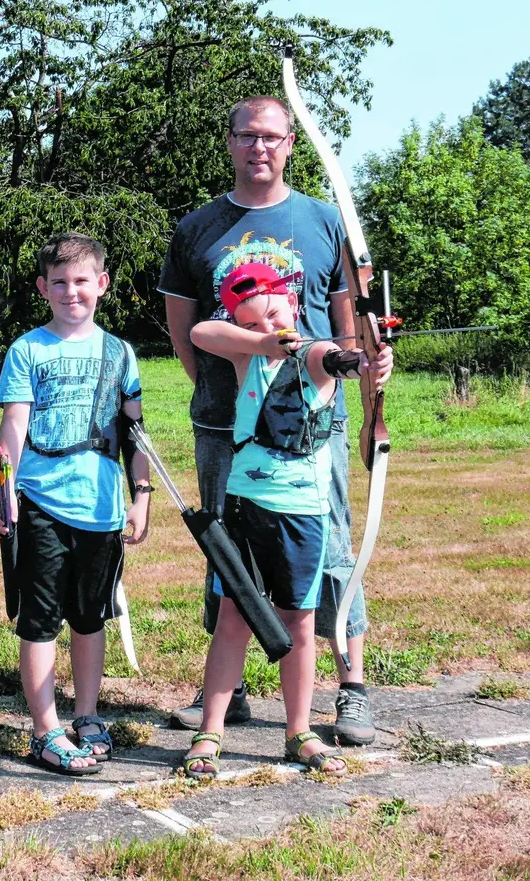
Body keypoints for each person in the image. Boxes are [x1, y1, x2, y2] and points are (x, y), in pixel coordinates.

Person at [159, 95, 379, 746]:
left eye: (273, 137)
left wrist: (357, 387)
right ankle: (229, 695)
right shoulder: (198, 229)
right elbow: (185, 335)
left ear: (290, 145)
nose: (260, 147)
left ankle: (351, 687)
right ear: (228, 141)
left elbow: (345, 327)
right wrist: (236, 391)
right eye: (248, 135)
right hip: (225, 426)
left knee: (329, 552)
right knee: (227, 554)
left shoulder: (320, 220)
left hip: (311, 426)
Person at [179, 261, 391, 779]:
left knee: (297, 621)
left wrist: (363, 362)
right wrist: (260, 343)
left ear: (292, 303)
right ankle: (211, 731)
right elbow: (201, 332)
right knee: (233, 617)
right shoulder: (247, 355)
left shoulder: (314, 353)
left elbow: (336, 357)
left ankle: (299, 730)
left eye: (272, 313)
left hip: (302, 515)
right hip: (243, 507)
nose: (265, 327)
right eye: (249, 322)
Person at [0, 232, 152, 776]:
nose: (70, 292)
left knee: (89, 617)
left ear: (102, 284)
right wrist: (2, 490)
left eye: (81, 281)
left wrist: (142, 496)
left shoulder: (120, 353)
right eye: (58, 282)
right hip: (40, 503)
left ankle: (87, 716)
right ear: (43, 288)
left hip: (102, 509)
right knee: (39, 620)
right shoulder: (27, 349)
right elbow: (12, 425)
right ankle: (46, 730)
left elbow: (135, 431)